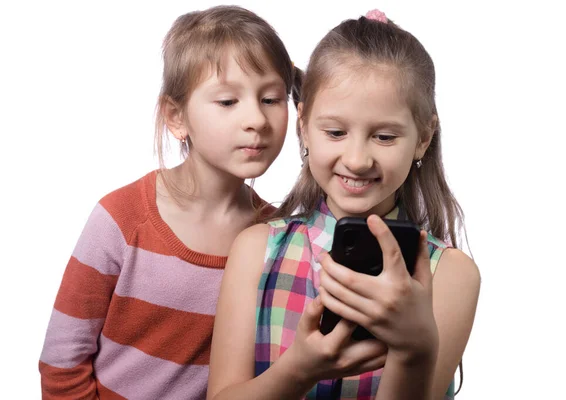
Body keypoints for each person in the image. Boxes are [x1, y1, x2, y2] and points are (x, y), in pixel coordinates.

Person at [208, 9, 480, 400]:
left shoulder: (451, 275)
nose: (357, 159)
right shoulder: (256, 249)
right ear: (303, 125)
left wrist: (413, 349)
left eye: (384, 137)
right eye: (335, 132)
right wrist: (299, 370)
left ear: (423, 137)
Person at [39, 6, 295, 399]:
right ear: (176, 117)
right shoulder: (121, 219)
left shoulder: (279, 239)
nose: (256, 119)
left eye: (272, 99)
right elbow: (62, 363)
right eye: (228, 101)